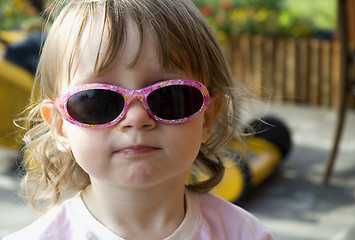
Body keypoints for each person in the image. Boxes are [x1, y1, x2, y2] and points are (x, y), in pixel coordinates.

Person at [4, 0, 274, 239]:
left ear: (207, 118)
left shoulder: (244, 234)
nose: (136, 118)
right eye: (98, 100)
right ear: (60, 127)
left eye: (169, 96)